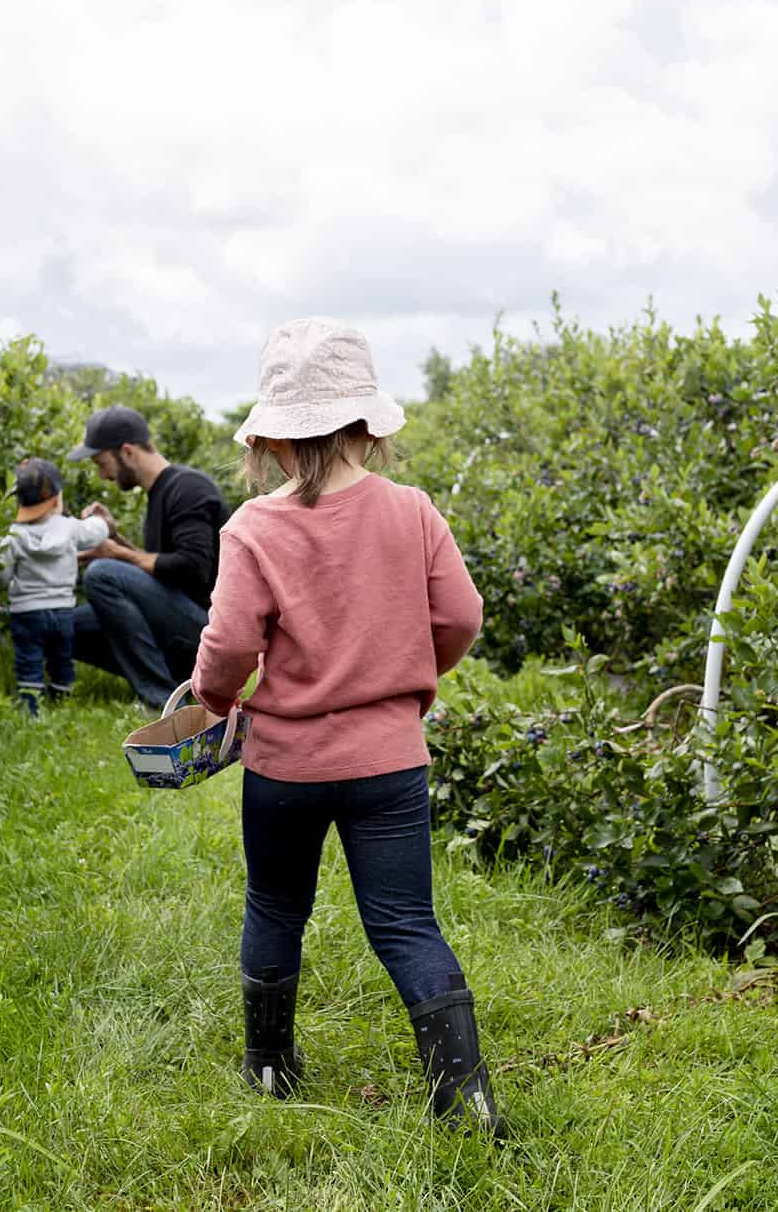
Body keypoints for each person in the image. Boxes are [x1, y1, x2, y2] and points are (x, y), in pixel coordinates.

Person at [190, 319, 503, 1137]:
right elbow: (462, 614)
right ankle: (465, 1097)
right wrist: (407, 679)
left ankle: (269, 1068)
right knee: (405, 922)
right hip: (389, 761)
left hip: (286, 766)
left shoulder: (255, 527)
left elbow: (227, 646)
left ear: (275, 441)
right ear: (367, 423)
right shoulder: (412, 512)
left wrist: (213, 701)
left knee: (276, 905)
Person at [67, 405, 230, 709]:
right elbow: (160, 571)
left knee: (102, 574)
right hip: (178, 622)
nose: (103, 476)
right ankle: (171, 681)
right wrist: (114, 539)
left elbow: (192, 568)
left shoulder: (189, 488)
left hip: (205, 631)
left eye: (102, 463)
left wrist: (116, 555)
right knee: (65, 626)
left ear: (127, 452)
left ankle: (162, 699)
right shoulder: (160, 492)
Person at [0, 458, 110, 715]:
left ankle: (31, 709)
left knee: (29, 660)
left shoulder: (14, 535)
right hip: (62, 612)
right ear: (57, 498)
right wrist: (101, 520)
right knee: (61, 658)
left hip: (26, 612)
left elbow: (1, 576)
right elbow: (96, 533)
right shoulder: (69, 528)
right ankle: (61, 701)